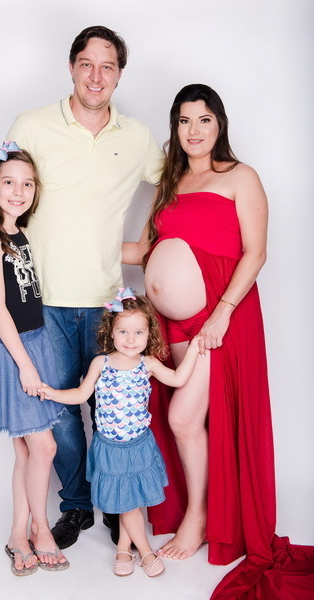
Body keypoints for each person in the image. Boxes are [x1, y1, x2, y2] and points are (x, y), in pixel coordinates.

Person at [0, 25, 163, 549]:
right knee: (60, 412)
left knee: (110, 408)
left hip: (106, 300)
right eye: (87, 64)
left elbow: (178, 182)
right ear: (71, 67)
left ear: (119, 74)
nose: (96, 76)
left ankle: (117, 503)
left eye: (107, 66)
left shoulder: (137, 136)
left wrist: (150, 243)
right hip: (42, 304)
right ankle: (75, 505)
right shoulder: (32, 124)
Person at [122, 84, 314, 598]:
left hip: (218, 316)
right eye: (184, 121)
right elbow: (143, 250)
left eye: (204, 119)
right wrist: (74, 244)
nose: (194, 130)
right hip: (172, 326)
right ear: (175, 127)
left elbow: (256, 252)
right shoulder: (170, 183)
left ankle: (200, 518)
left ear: (219, 124)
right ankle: (204, 509)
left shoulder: (241, 176)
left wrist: (223, 313)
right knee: (193, 420)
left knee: (184, 418)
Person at [38, 289, 203, 577]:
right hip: (110, 449)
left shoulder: (147, 364)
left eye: (138, 332)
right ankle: (146, 552)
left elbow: (178, 378)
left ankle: (124, 549)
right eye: (123, 331)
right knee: (127, 504)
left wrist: (193, 349)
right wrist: (52, 393)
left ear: (149, 334)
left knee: (130, 502)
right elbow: (80, 394)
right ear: (111, 331)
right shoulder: (100, 363)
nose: (130, 339)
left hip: (138, 446)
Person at [0, 143, 69, 576]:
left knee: (28, 449)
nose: (18, 191)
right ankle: (40, 529)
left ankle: (16, 534)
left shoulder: (18, 232)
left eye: (27, 184)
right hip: (11, 351)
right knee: (45, 445)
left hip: (33, 342)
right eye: (9, 182)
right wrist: (26, 364)